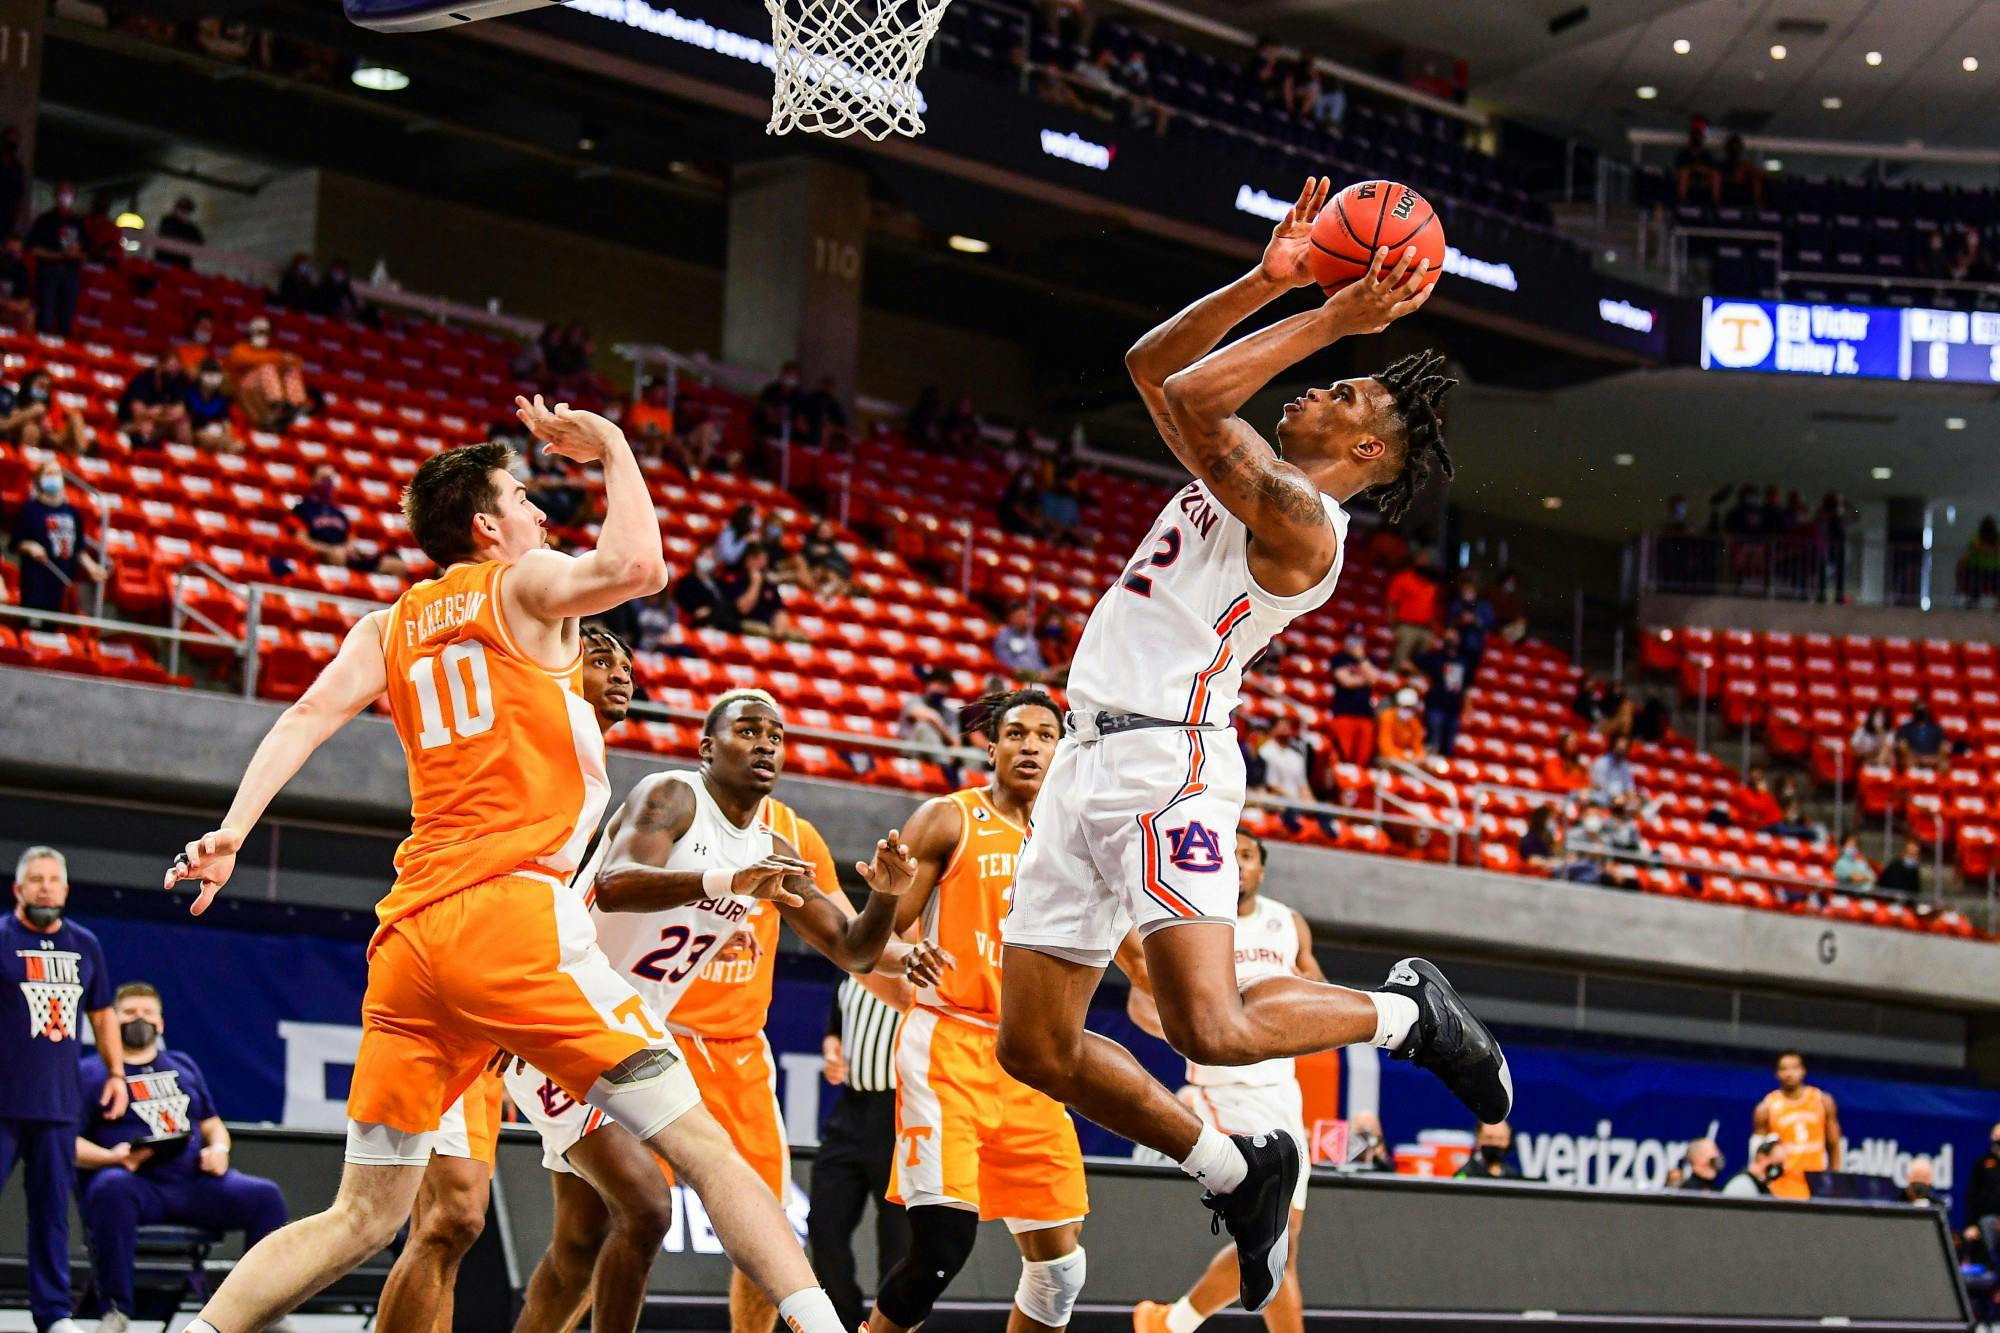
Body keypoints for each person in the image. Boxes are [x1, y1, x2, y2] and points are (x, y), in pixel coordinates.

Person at [161, 407, 857, 1333]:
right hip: (512, 912)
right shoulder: (521, 583)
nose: (538, 511)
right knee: (707, 1151)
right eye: (524, 497)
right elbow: (640, 568)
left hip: (410, 937)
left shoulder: (390, 623)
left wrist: (233, 829)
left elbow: (301, 719)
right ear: (488, 526)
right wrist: (611, 444)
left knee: (363, 1214)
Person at [991, 176, 1508, 1318]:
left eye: (1337, 388)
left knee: (1208, 1027)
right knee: (1031, 1045)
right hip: (1085, 762)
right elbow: (1151, 370)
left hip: (1165, 760)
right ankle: (1233, 1167)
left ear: (1364, 445)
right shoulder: (1239, 481)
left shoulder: (1302, 523)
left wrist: (1327, 314)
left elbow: (1186, 389)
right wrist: (1271, 280)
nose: (1313, 386)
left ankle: (1408, 1013)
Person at [501, 688, 939, 1333]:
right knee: (647, 1209)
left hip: (630, 1031)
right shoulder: (673, 793)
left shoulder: (771, 844)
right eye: (748, 731)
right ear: (708, 747)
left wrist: (882, 898)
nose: (764, 743)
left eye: (776, 735)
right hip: (563, 1012)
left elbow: (852, 951)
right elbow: (614, 887)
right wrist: (725, 881)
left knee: (581, 1246)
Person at [370, 627, 636, 1333]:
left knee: (584, 1226)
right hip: (462, 981)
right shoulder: (527, 731)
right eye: (602, 658)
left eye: (628, 664)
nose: (622, 674)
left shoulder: (592, 760)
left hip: (522, 997)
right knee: (447, 1215)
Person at [857, 690, 1102, 1333]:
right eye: (1015, 734)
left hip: (1033, 1060)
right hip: (951, 1048)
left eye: (1045, 736)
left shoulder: (1074, 837)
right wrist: (902, 960)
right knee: (940, 1251)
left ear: (1062, 750)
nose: (1030, 746)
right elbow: (874, 939)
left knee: (1061, 1271)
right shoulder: (947, 819)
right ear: (990, 748)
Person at [1130, 832, 1323, 1333]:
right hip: (1224, 1088)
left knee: (1285, 1248)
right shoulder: (1194, 923)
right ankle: (1175, 1323)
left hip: (1283, 1089)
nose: (1238, 864)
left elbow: (1317, 987)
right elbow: (1140, 1000)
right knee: (1278, 1234)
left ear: (1262, 870)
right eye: (1230, 855)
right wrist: (1193, 1030)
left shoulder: (1288, 923)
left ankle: (1170, 1323)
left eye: (1249, 856)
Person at [76, 983, 290, 1333]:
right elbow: (66, 1145)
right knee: (109, 1189)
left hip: (193, 1182)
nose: (139, 1020)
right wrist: (109, 1158)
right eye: (129, 1013)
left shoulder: (182, 1065)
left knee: (264, 1196)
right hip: (135, 1182)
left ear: (161, 1023)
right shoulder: (91, 1073)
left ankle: (261, 1312)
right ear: (112, 1020)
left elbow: (212, 1125)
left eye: (147, 1013)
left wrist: (219, 1150)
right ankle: (117, 1310)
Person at [4, 845, 126, 1333]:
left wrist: (116, 1075)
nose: (46, 887)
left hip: (57, 1106)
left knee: (53, 1217)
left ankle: (54, 1315)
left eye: (54, 880)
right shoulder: (2, 938)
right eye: (36, 879)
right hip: (3, 1101)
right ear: (18, 888)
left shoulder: (85, 945)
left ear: (66, 890)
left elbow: (102, 1015)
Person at [811, 977, 911, 1333]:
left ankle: (889, 1329)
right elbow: (836, 1028)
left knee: (898, 1242)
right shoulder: (854, 963)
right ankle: (847, 1324)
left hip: (903, 1112)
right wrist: (832, 1051)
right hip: (850, 1110)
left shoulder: (927, 966)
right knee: (823, 1227)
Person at [12, 460, 105, 616]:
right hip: (36, 584)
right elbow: (16, 543)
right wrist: (30, 547)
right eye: (48, 474)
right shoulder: (29, 510)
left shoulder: (73, 513)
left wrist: (92, 567)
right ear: (39, 480)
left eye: (57, 473)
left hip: (64, 585)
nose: (54, 477)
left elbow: (78, 548)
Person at [1753, 1051, 1840, 1200]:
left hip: (1816, 1184)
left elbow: (1834, 1143)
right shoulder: (1766, 1108)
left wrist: (1834, 1180)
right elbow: (1758, 1153)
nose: (1789, 1074)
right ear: (1777, 1073)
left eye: (1794, 1068)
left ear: (1803, 1070)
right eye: (1784, 1069)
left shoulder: (1822, 1101)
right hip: (1781, 1186)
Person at [225, 315, 312, 431]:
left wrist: (287, 360)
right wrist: (279, 358)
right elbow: (248, 360)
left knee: (289, 369)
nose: (262, 335)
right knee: (267, 368)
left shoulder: (270, 353)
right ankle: (276, 404)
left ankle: (296, 403)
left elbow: (297, 362)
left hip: (261, 390)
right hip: (243, 390)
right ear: (250, 332)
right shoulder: (240, 348)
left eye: (265, 333)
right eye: (259, 332)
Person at [25, 181, 83, 337]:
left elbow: (86, 251)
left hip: (70, 274)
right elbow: (32, 248)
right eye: (63, 191)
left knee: (66, 317)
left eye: (69, 192)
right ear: (56, 194)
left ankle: (63, 355)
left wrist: (75, 253)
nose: (65, 195)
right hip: (48, 272)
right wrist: (57, 255)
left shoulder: (77, 222)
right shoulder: (45, 220)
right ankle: (40, 350)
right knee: (46, 315)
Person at [1326, 629, 1385, 767]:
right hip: (1343, 712)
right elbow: (1346, 681)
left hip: (1365, 714)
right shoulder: (1339, 658)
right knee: (1344, 754)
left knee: (1362, 758)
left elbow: (1375, 679)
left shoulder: (1370, 659)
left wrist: (1361, 659)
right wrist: (1366, 679)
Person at [117, 349, 192, 449]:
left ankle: (180, 460)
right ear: (159, 365)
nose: (172, 372)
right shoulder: (142, 380)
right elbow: (138, 413)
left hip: (161, 422)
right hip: (132, 423)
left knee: (183, 427)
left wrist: (161, 413)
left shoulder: (176, 382)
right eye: (170, 367)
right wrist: (157, 412)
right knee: (148, 426)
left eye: (175, 369)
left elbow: (180, 410)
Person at [1414, 625, 1471, 758]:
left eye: (1454, 634)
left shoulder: (1463, 661)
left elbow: (1467, 688)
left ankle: (1443, 770)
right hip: (1436, 704)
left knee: (1448, 744)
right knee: (1433, 739)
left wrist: (1468, 709)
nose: (1451, 638)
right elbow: (1411, 664)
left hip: (1454, 708)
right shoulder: (1435, 656)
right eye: (1449, 634)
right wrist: (1424, 676)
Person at [1383, 549, 1439, 673]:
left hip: (1425, 630)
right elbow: (1391, 604)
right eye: (1422, 560)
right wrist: (1393, 627)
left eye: (1427, 561)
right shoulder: (1403, 578)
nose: (1425, 563)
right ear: (1415, 561)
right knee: (1399, 660)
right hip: (1406, 627)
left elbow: (1432, 609)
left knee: (1420, 666)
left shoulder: (1431, 585)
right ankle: (1390, 687)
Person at [1962, 1123, 2000, 1266]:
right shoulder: (1982, 1163)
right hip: (1986, 1221)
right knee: (1987, 1223)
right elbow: (1971, 1196)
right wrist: (1970, 1225)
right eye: (1996, 1136)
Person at [1256, 715, 1314, 803]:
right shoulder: (1265, 751)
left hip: (1297, 802)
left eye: (1287, 726)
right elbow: (1271, 785)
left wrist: (1312, 803)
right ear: (1272, 729)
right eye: (1282, 726)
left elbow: (1303, 785)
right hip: (1278, 801)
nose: (1285, 729)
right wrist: (1295, 800)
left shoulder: (1296, 756)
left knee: (1324, 814)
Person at [801, 517, 854, 598]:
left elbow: (845, 568)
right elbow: (809, 561)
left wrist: (829, 552)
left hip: (836, 577)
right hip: (816, 575)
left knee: (839, 582)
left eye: (827, 531)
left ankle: (827, 592)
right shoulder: (810, 545)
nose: (825, 533)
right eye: (822, 531)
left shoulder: (834, 549)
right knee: (826, 573)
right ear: (816, 532)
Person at [1376, 686, 1428, 767]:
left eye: (1411, 708)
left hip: (1405, 758)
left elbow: (1417, 745)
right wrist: (1404, 756)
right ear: (1398, 705)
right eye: (1405, 707)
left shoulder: (1414, 722)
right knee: (1390, 761)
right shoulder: (1387, 717)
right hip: (1387, 757)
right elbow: (1385, 746)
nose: (1408, 711)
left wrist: (1419, 756)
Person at [994, 603, 1048, 678]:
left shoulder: (1032, 641)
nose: (1024, 620)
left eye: (1026, 617)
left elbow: (1038, 662)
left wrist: (1045, 672)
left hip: (1036, 676)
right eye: (1020, 616)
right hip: (1017, 676)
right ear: (1011, 618)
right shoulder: (1004, 636)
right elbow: (1003, 661)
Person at [1453, 1122, 1520, 1179]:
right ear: (1478, 1139)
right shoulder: (1465, 1174)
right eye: (1489, 1138)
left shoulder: (1512, 1175)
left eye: (1501, 1139)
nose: (1495, 1143)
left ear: (1509, 1141)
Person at [1895, 701, 1949, 771]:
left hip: (1933, 759)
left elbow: (1944, 747)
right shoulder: (1906, 728)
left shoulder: (1936, 728)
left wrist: (1932, 759)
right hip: (1913, 759)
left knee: (1944, 765)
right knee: (1907, 762)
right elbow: (1902, 746)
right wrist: (1917, 758)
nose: (1920, 712)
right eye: (1918, 710)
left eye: (1923, 709)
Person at [1588, 735, 1636, 805]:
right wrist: (1616, 797)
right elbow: (1598, 786)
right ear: (1613, 746)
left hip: (1621, 800)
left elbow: (1629, 787)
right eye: (1619, 748)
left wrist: (1631, 798)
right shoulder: (1601, 762)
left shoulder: (1625, 766)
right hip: (1602, 799)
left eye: (1624, 749)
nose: (1621, 752)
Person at [1538, 731, 1589, 795]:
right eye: (1570, 743)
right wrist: (1577, 788)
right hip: (1552, 796)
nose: (1573, 746)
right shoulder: (1552, 762)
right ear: (1562, 744)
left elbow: (1587, 785)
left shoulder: (1581, 767)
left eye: (1576, 744)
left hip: (1575, 797)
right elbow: (1556, 783)